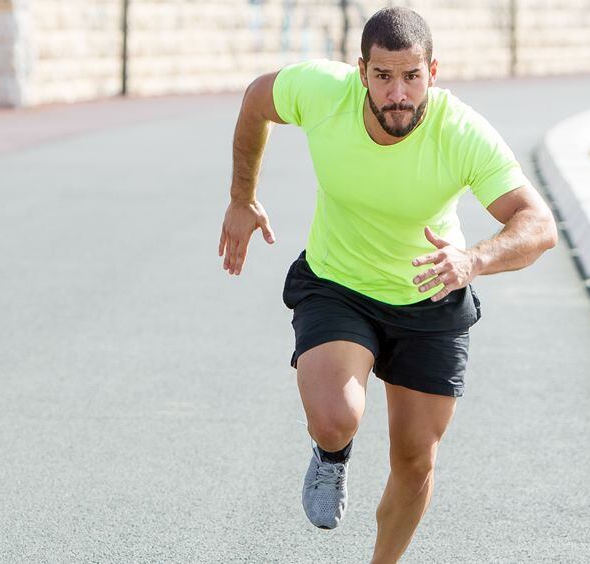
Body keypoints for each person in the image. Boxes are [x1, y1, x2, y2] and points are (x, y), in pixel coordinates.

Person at [217, 6, 558, 562]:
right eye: (383, 76)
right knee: (335, 419)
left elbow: (538, 224)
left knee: (416, 461)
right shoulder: (324, 93)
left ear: (433, 72)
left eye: (411, 76)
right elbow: (258, 98)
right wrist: (241, 198)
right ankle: (332, 456)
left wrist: (474, 259)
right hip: (338, 284)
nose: (397, 93)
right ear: (361, 72)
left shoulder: (460, 130)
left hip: (431, 294)